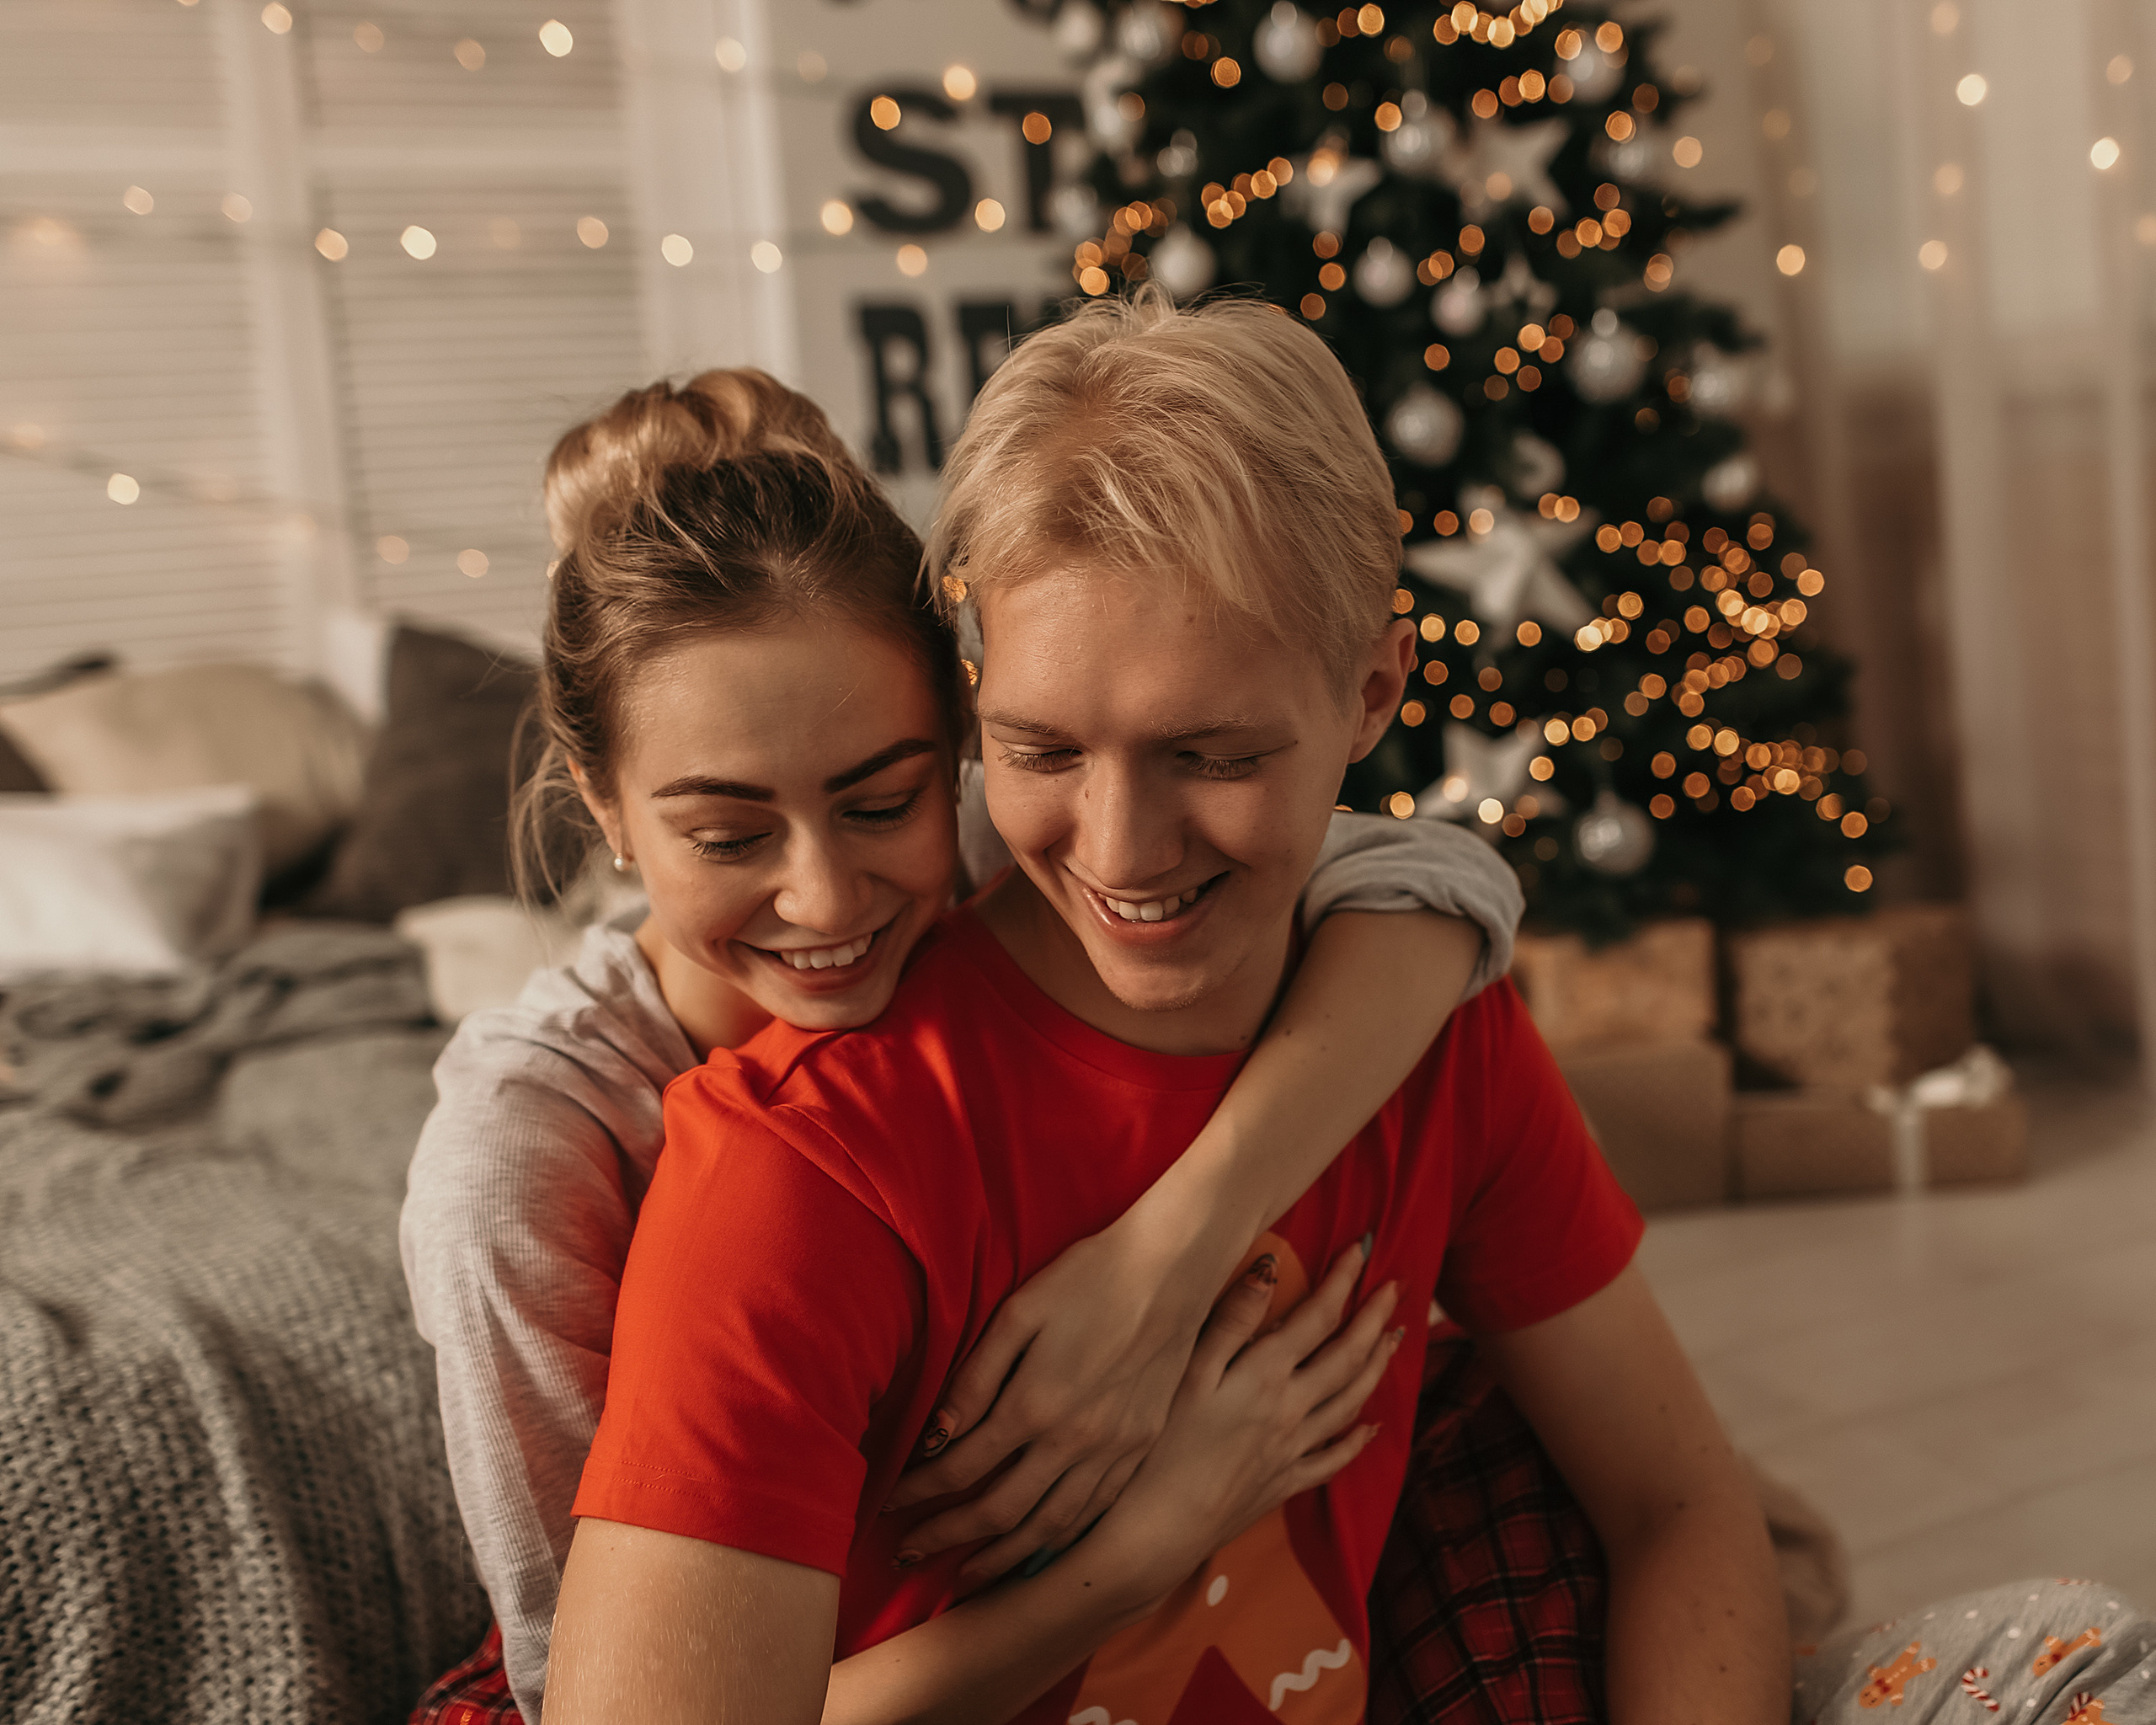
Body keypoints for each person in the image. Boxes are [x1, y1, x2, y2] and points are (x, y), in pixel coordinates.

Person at [543, 291, 1791, 1723]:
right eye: (1041, 752)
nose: (1123, 853)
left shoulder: (1435, 1027)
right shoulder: (799, 1170)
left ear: (1374, 691)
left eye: (1212, 754)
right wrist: (1128, 1557)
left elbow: (1681, 1506)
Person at [400, 368, 1528, 1722]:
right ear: (603, 803)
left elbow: (1437, 879)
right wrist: (1140, 1550)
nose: (827, 899)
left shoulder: (1029, 840)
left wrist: (1168, 1254)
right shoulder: (514, 1166)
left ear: (954, 746)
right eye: (729, 835)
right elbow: (599, 1686)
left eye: (884, 802)